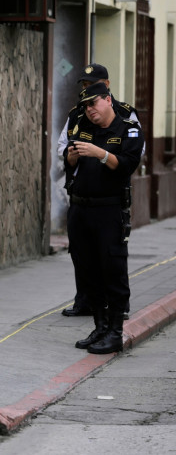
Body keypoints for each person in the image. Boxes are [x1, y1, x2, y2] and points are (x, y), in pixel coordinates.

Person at [64, 82, 144, 354]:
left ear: (108, 100)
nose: (89, 110)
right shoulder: (82, 126)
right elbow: (68, 162)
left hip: (108, 210)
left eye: (93, 103)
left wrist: (100, 153)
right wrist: (72, 157)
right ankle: (99, 325)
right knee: (87, 269)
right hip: (80, 208)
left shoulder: (127, 127)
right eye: (85, 106)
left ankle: (116, 331)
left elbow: (127, 165)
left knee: (113, 268)